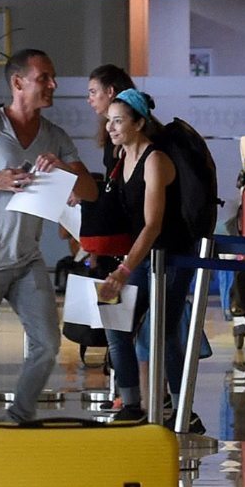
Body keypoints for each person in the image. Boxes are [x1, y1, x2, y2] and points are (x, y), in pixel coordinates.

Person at [0, 49, 94, 425]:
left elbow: (90, 191)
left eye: (52, 77)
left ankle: (17, 418)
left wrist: (66, 172)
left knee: (47, 344)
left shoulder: (55, 136)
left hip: (26, 258)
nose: (53, 85)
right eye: (45, 78)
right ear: (18, 82)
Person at [97, 88, 195, 423]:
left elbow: (152, 225)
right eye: (109, 121)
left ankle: (182, 411)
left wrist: (123, 271)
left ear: (139, 123)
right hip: (143, 257)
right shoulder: (122, 159)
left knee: (164, 332)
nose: (111, 127)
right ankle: (131, 405)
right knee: (115, 323)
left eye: (118, 121)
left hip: (172, 257)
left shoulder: (156, 160)